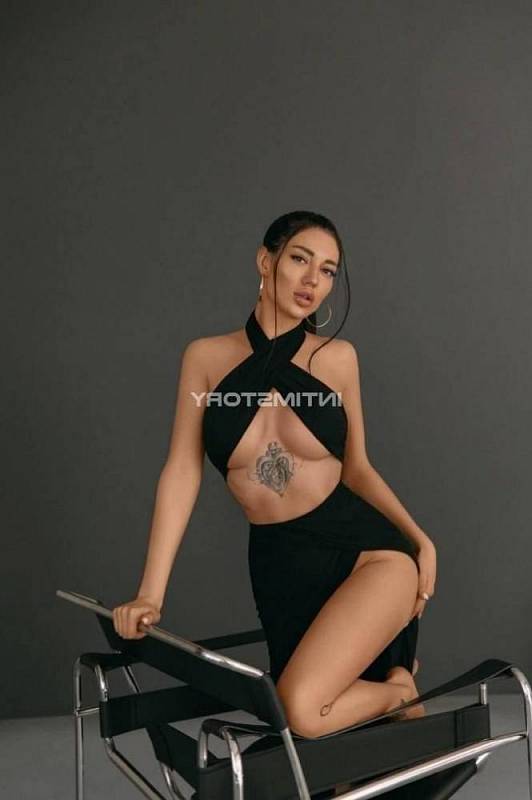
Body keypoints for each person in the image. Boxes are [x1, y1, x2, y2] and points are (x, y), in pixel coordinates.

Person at [112, 210, 437, 747]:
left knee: (303, 710)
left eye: (328, 270)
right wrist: (151, 594)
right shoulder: (206, 359)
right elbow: (182, 470)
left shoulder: (337, 359)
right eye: (300, 260)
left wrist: (419, 539)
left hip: (367, 553)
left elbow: (357, 468)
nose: (313, 280)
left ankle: (397, 694)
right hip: (279, 564)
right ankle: (395, 696)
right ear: (266, 261)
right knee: (318, 743)